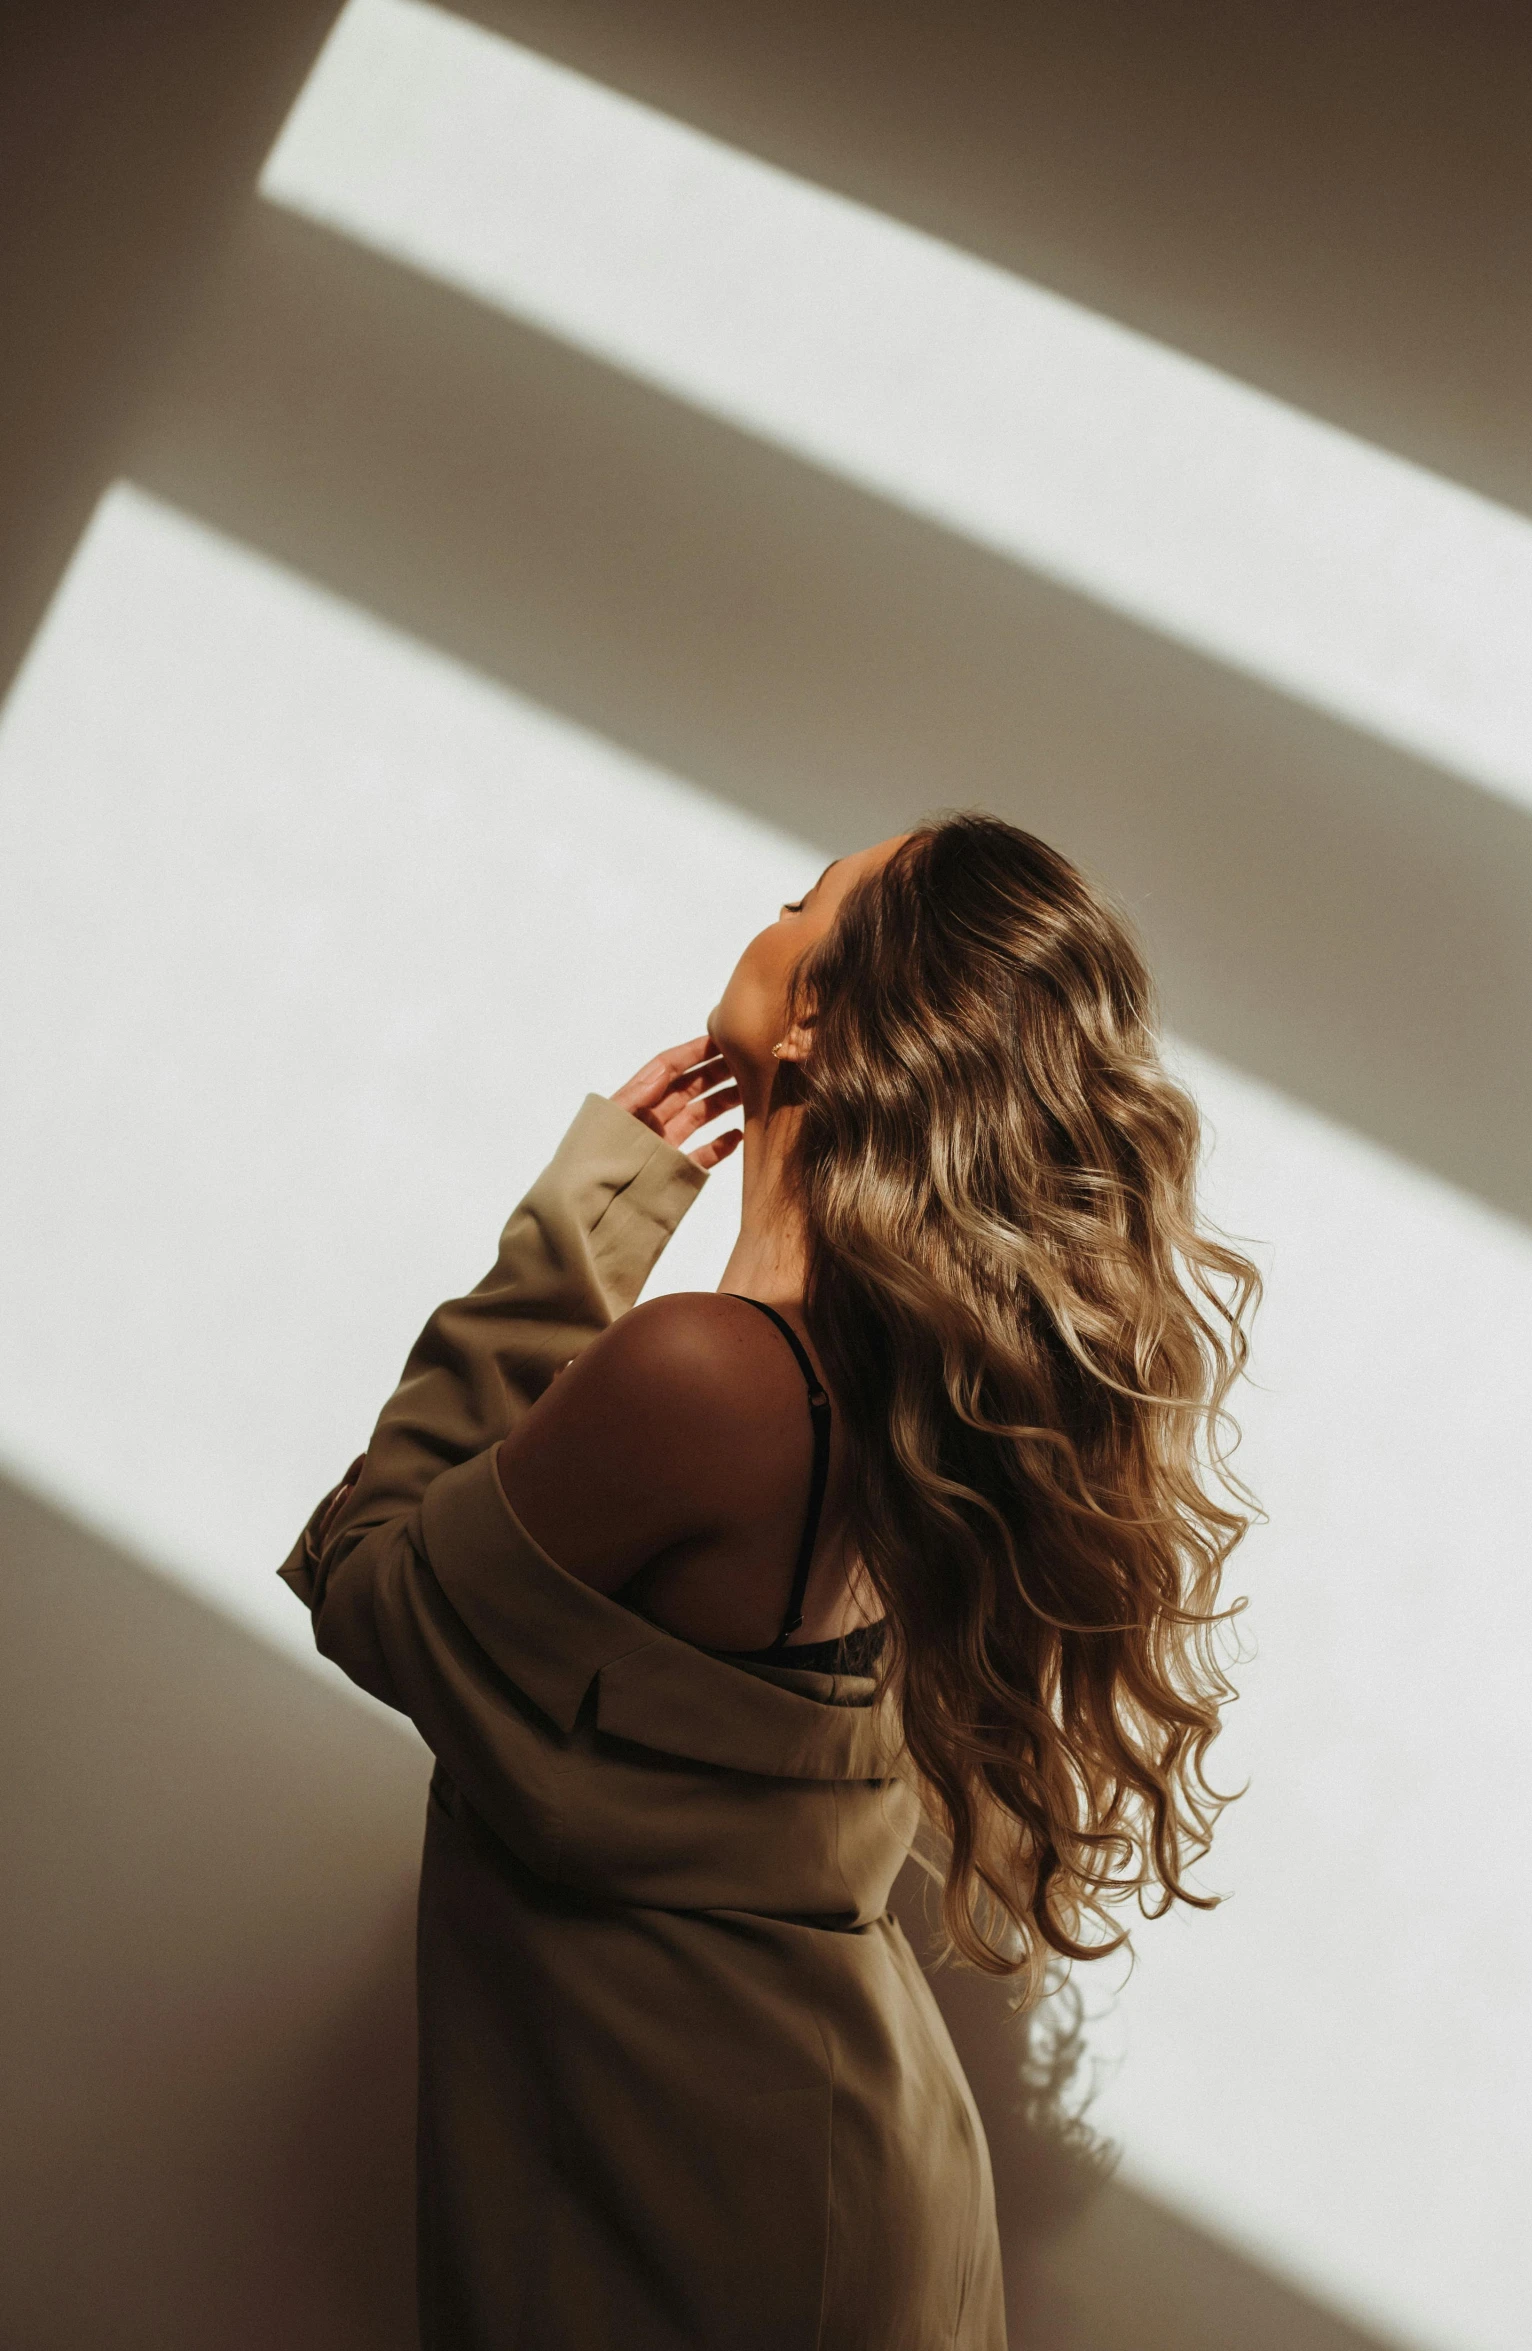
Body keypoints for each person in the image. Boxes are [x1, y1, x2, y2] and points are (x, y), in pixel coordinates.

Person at [280, 811, 1260, 2350]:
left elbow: (367, 1587)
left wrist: (585, 1216)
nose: (772, 914)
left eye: (801, 901)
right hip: (834, 2174)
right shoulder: (921, 1411)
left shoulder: (705, 1374)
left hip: (702, 2203)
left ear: (813, 1009)